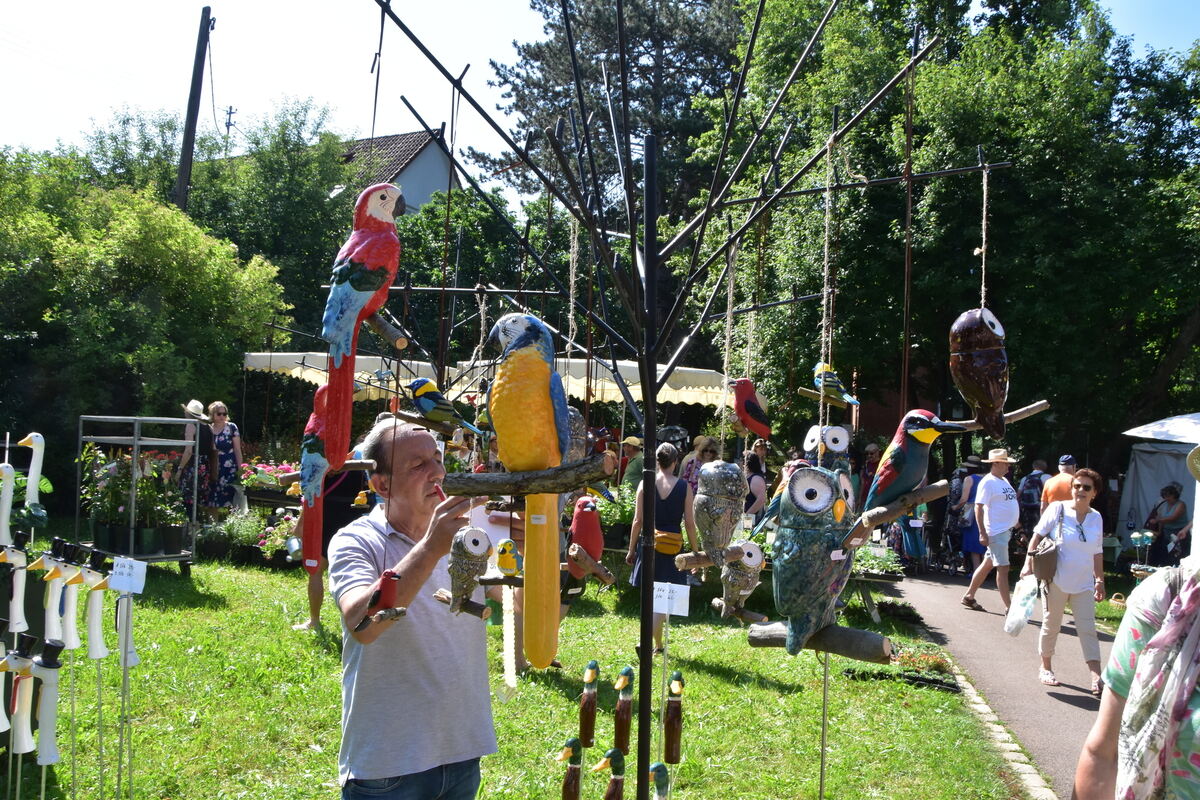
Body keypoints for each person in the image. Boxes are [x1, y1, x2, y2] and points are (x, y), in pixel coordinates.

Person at [327, 419, 497, 799]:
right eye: (417, 465)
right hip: (389, 766)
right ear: (381, 484)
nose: (437, 471)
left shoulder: (471, 537)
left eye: (437, 459)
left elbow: (523, 609)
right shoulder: (355, 541)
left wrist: (559, 569)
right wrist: (431, 547)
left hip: (461, 753)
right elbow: (363, 625)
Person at [293, 413, 392, 632]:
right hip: (355, 515)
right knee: (361, 574)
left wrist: (301, 522)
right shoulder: (384, 455)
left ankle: (315, 620)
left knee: (317, 571)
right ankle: (358, 619)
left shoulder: (346, 455)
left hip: (329, 514)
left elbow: (312, 489)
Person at [1021, 467, 1106, 692]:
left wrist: (1100, 580)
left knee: (1087, 629)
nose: (1080, 490)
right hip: (1055, 579)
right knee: (1051, 624)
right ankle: (1045, 667)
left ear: (1094, 493)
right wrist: (1028, 563)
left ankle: (1096, 676)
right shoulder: (1058, 509)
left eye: (1086, 487)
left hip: (1083, 584)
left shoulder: (1096, 518)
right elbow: (1037, 535)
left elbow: (1097, 552)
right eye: (1076, 486)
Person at [625, 443, 700, 654]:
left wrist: (631, 549)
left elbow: (637, 521)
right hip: (673, 547)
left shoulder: (644, 484)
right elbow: (689, 523)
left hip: (649, 545)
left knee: (653, 598)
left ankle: (657, 645)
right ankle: (647, 641)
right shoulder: (684, 487)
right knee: (664, 600)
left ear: (657, 461)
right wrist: (695, 553)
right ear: (676, 462)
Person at [961, 449, 1019, 612]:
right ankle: (1009, 606)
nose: (1008, 466)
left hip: (1004, 531)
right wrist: (982, 532)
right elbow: (979, 508)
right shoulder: (988, 482)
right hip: (996, 532)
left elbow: (1008, 504)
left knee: (987, 564)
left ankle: (969, 596)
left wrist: (1017, 524)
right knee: (1003, 567)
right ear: (995, 464)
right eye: (1005, 463)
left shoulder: (1003, 481)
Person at [175, 399, 216, 518]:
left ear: (189, 413)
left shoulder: (190, 425)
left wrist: (180, 469)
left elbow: (188, 451)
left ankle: (190, 531)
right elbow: (213, 448)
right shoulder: (209, 427)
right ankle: (197, 529)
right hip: (205, 466)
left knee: (187, 500)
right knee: (198, 500)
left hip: (192, 466)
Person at [206, 400, 243, 513]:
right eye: (219, 414)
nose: (222, 416)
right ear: (213, 414)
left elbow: (237, 449)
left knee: (232, 498)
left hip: (229, 467)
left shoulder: (231, 427)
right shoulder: (208, 428)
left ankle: (232, 526)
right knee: (212, 498)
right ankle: (213, 525)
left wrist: (241, 469)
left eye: (224, 414)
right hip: (214, 467)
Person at [953, 456, 986, 573]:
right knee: (985, 543)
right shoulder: (988, 478)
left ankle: (977, 571)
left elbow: (964, 499)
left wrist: (955, 507)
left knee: (974, 544)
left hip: (973, 514)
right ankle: (986, 571)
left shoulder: (969, 479)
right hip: (988, 513)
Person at [1146, 482, 1189, 566]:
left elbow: (1173, 518)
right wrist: (1159, 531)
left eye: (1169, 496)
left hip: (1179, 533)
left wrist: (1157, 520)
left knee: (1178, 555)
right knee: (1165, 555)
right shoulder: (1164, 505)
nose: (1166, 498)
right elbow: (1160, 518)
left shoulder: (1181, 504)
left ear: (1174, 495)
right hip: (1166, 533)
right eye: (1165, 496)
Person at [1016, 459, 1049, 535]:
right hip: (1041, 509)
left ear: (1033, 467)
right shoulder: (1046, 477)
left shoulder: (1025, 478)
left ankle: (1029, 545)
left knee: (1029, 533)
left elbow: (1018, 495)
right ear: (1045, 467)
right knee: (1041, 532)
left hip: (1026, 511)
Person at [743, 452, 768, 520]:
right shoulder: (747, 476)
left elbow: (761, 500)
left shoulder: (756, 478)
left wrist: (747, 516)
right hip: (744, 518)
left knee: (747, 531)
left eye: (743, 460)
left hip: (752, 519)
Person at [858, 442, 882, 509]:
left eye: (871, 453)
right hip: (864, 499)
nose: (869, 455)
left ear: (877, 452)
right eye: (867, 454)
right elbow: (863, 483)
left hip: (876, 499)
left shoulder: (882, 464)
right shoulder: (866, 465)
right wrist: (859, 498)